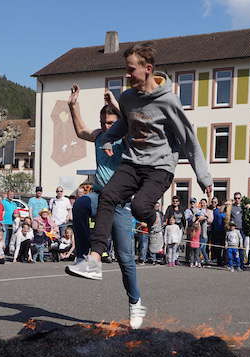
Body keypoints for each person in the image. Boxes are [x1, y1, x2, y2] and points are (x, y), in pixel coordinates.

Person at [68, 42, 213, 283]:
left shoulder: (168, 101)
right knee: (108, 196)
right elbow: (125, 123)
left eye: (131, 69)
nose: (127, 75)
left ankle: (155, 220)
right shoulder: (127, 98)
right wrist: (109, 138)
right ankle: (94, 259)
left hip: (160, 166)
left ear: (148, 69)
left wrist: (203, 176)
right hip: (134, 162)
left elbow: (188, 138)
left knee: (139, 207)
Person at [66, 84, 147, 327]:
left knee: (125, 259)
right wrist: (73, 105)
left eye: (111, 122)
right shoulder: (100, 137)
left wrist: (116, 102)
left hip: (120, 205)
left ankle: (135, 303)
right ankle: (85, 259)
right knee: (81, 204)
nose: (107, 126)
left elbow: (132, 123)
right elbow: (81, 131)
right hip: (100, 197)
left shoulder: (127, 139)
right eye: (104, 122)